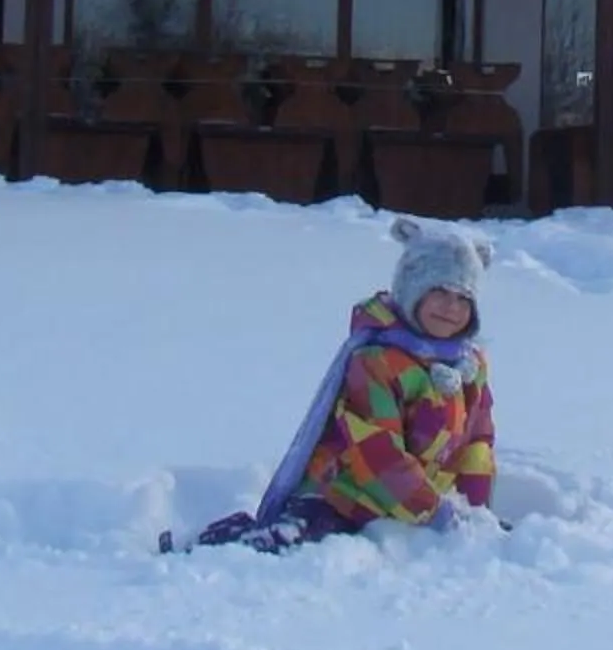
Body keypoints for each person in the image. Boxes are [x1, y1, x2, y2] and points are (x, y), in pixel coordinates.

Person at [168, 220, 499, 553]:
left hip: (418, 506)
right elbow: (376, 449)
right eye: (439, 292)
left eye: (463, 298)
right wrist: (436, 512)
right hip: (345, 493)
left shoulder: (469, 366)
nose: (451, 308)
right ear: (413, 290)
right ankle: (204, 548)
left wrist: (474, 512)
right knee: (287, 542)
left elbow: (477, 443)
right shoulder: (377, 361)